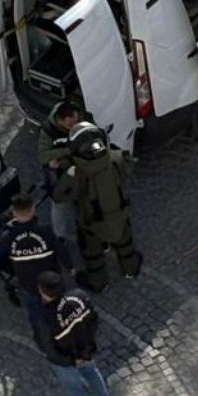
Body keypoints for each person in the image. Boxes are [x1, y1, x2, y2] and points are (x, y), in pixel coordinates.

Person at [56, 122, 142, 293]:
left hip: (91, 222)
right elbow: (129, 165)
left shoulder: (75, 172)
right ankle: (130, 269)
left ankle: (99, 282)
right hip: (118, 212)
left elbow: (60, 195)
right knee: (125, 243)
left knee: (92, 254)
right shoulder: (114, 158)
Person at [34, 271, 114, 396]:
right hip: (85, 350)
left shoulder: (45, 317)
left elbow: (48, 346)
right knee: (92, 373)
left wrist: (71, 361)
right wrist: (87, 348)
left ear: (42, 291)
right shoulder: (79, 296)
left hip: (65, 360)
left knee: (74, 388)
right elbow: (94, 320)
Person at [0, 193, 69, 338]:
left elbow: (1, 249)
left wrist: (8, 226)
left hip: (28, 283)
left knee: (35, 313)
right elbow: (61, 250)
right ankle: (64, 327)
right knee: (58, 306)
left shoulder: (7, 237)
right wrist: (71, 267)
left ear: (14, 213)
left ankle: (41, 336)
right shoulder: (45, 231)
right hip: (51, 280)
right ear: (32, 210)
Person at [37, 101, 87, 267]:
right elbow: (43, 156)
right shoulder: (48, 130)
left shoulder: (79, 116)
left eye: (76, 121)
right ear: (60, 120)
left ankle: (84, 231)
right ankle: (60, 236)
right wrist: (68, 150)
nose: (74, 126)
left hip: (78, 169)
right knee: (59, 205)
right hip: (59, 175)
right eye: (70, 124)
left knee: (84, 201)